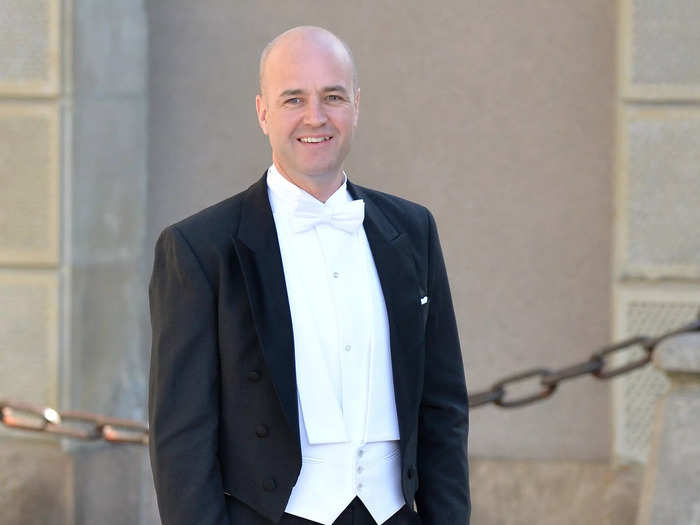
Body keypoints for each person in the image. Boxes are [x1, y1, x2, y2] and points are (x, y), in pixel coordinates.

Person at [148, 26, 470, 525]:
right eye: (293, 98)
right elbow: (181, 437)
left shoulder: (413, 231)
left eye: (333, 97)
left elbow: (443, 408)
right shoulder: (199, 249)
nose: (315, 117)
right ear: (262, 112)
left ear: (356, 106)